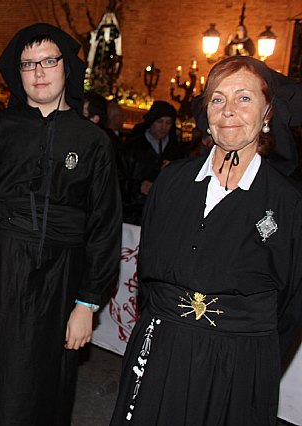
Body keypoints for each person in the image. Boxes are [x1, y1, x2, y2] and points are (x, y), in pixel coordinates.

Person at [0, 23, 122, 426]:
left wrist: (87, 303)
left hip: (57, 282)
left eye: (49, 61)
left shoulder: (93, 142)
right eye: (29, 64)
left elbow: (104, 227)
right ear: (18, 73)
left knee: (39, 385)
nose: (40, 72)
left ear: (67, 67)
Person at [110, 56, 302, 425]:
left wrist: (249, 349)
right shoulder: (171, 183)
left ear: (267, 115)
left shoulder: (288, 203)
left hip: (240, 360)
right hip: (163, 347)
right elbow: (147, 274)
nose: (229, 110)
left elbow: (292, 304)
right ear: (206, 116)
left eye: (244, 98)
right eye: (218, 99)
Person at [119, 101, 184, 224]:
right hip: (134, 214)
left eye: (168, 123)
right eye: (160, 122)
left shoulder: (176, 152)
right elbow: (118, 181)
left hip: (164, 215)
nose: (163, 127)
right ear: (151, 122)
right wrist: (138, 187)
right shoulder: (132, 148)